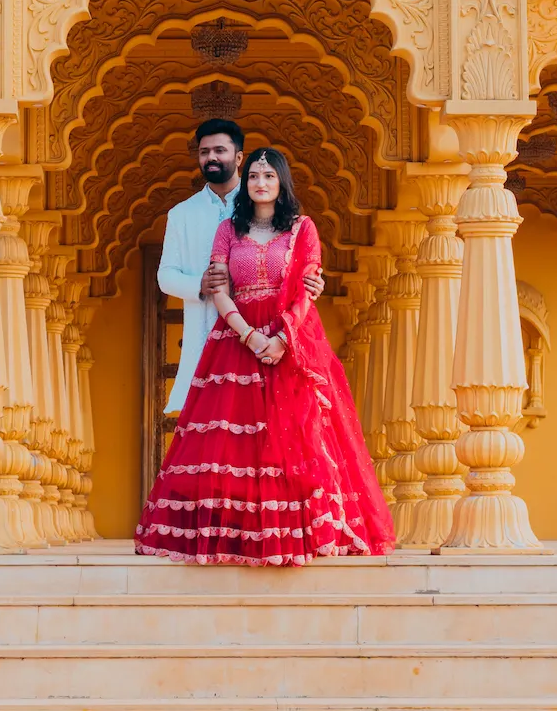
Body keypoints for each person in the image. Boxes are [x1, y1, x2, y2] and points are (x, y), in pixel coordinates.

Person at [137, 147, 394, 565]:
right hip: (235, 340)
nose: (260, 183)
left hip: (289, 340)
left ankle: (293, 535)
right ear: (246, 180)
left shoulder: (301, 228)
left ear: (281, 182)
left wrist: (281, 338)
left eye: (268, 176)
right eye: (254, 175)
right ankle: (235, 537)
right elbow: (219, 286)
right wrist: (248, 336)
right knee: (232, 445)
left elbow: (308, 289)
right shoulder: (228, 229)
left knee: (289, 440)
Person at [155, 119, 322, 418]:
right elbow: (165, 276)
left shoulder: (262, 204)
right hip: (208, 334)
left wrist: (311, 283)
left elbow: (298, 261)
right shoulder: (182, 214)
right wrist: (200, 284)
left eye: (220, 150)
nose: (212, 158)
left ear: (239, 157)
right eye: (204, 152)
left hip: (271, 335)